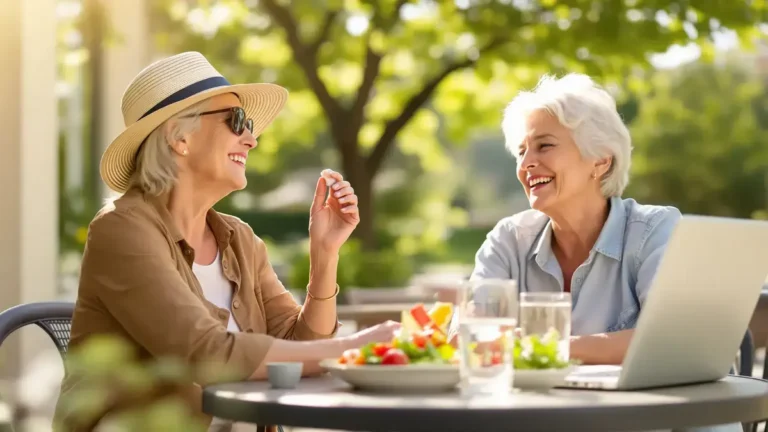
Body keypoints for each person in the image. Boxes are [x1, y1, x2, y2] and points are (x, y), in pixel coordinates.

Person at [52, 52, 398, 432]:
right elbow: (206, 354)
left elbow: (300, 349)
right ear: (179, 137)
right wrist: (356, 348)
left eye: (248, 125)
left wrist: (325, 254)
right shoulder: (121, 230)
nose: (251, 139)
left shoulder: (239, 239)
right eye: (236, 122)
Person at [462, 73, 739, 432]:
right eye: (521, 151)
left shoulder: (654, 230)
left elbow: (676, 343)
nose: (526, 162)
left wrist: (546, 348)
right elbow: (467, 337)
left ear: (600, 161)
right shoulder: (508, 239)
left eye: (544, 146)